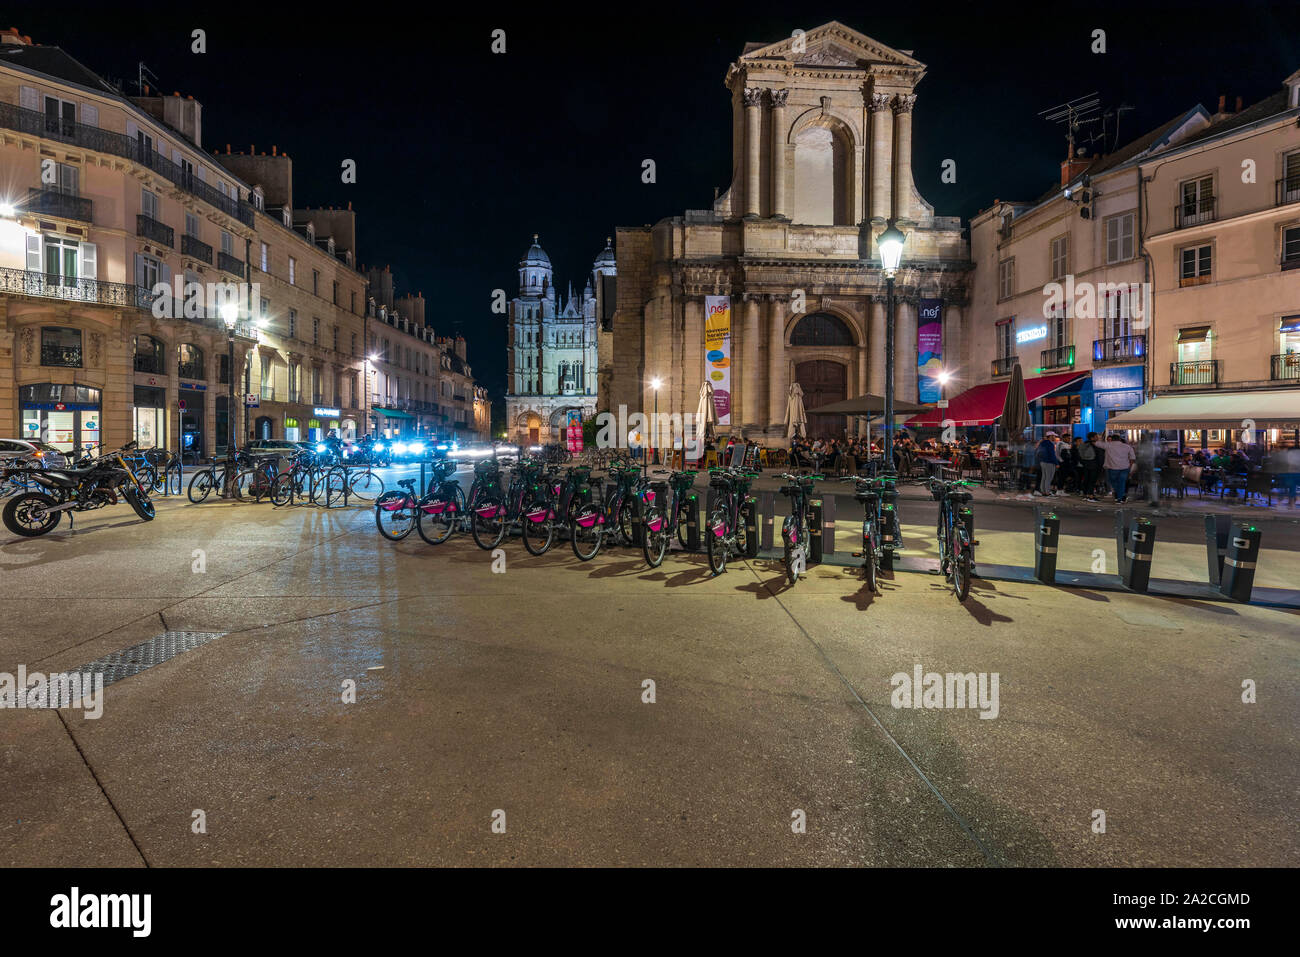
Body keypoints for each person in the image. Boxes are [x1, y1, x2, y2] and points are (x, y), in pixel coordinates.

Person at [1095, 433, 1137, 502]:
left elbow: (1096, 443)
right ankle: (1120, 497)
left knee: (1113, 482)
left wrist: (1098, 438)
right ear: (1119, 439)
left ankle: (1119, 496)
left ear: (1112, 439)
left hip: (1112, 468)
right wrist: (1130, 466)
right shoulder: (1127, 446)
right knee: (1122, 482)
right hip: (1125, 468)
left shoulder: (1108, 445)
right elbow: (1132, 458)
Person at [1035, 432, 1060, 496]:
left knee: (1044, 477)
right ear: (1050, 436)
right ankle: (1047, 492)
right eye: (1054, 436)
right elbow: (1052, 455)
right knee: (1049, 478)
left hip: (1042, 462)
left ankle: (1043, 491)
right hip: (1049, 462)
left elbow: (1038, 453)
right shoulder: (1050, 444)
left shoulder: (1042, 443)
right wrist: (1056, 463)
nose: (1055, 437)